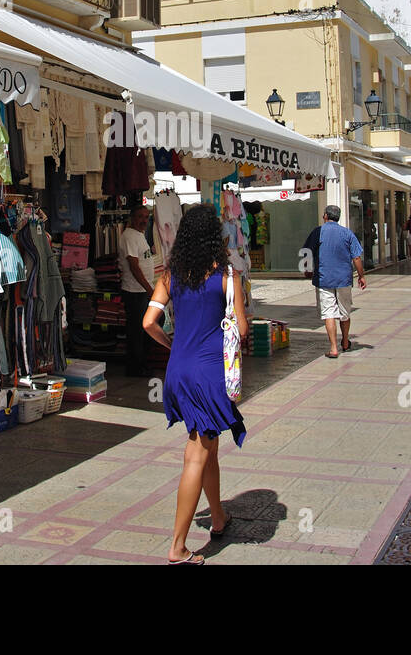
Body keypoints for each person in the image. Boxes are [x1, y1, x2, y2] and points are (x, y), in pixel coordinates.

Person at [143, 204, 247, 566]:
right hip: (209, 373)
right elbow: (242, 330)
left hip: (178, 371)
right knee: (196, 453)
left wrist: (173, 345)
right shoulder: (226, 275)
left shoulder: (172, 274)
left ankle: (217, 516)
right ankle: (178, 547)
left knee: (209, 446)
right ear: (214, 236)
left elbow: (148, 322)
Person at [302, 205, 367, 357]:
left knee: (328, 313)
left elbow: (307, 252)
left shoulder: (318, 232)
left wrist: (307, 268)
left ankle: (333, 348)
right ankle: (345, 341)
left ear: (325, 216)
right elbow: (356, 257)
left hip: (324, 279)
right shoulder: (347, 233)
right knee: (345, 311)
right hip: (344, 278)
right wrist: (362, 276)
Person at [120, 203, 157, 377]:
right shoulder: (129, 236)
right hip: (134, 292)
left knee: (144, 329)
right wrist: (150, 290)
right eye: (140, 217)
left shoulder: (139, 235)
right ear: (132, 218)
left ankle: (141, 364)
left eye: (146, 217)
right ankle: (135, 367)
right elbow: (134, 267)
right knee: (137, 331)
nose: (144, 220)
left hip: (142, 291)